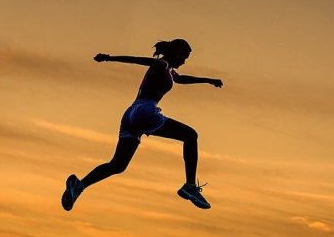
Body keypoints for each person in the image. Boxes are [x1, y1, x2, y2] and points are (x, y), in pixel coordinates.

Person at [61, 38, 223, 211]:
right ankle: (190, 185)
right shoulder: (161, 64)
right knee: (190, 135)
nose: (184, 62)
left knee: (118, 165)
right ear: (176, 52)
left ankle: (79, 185)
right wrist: (109, 58)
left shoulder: (168, 70)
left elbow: (181, 79)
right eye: (184, 57)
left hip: (130, 114)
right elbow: (137, 60)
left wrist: (208, 80)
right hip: (145, 111)